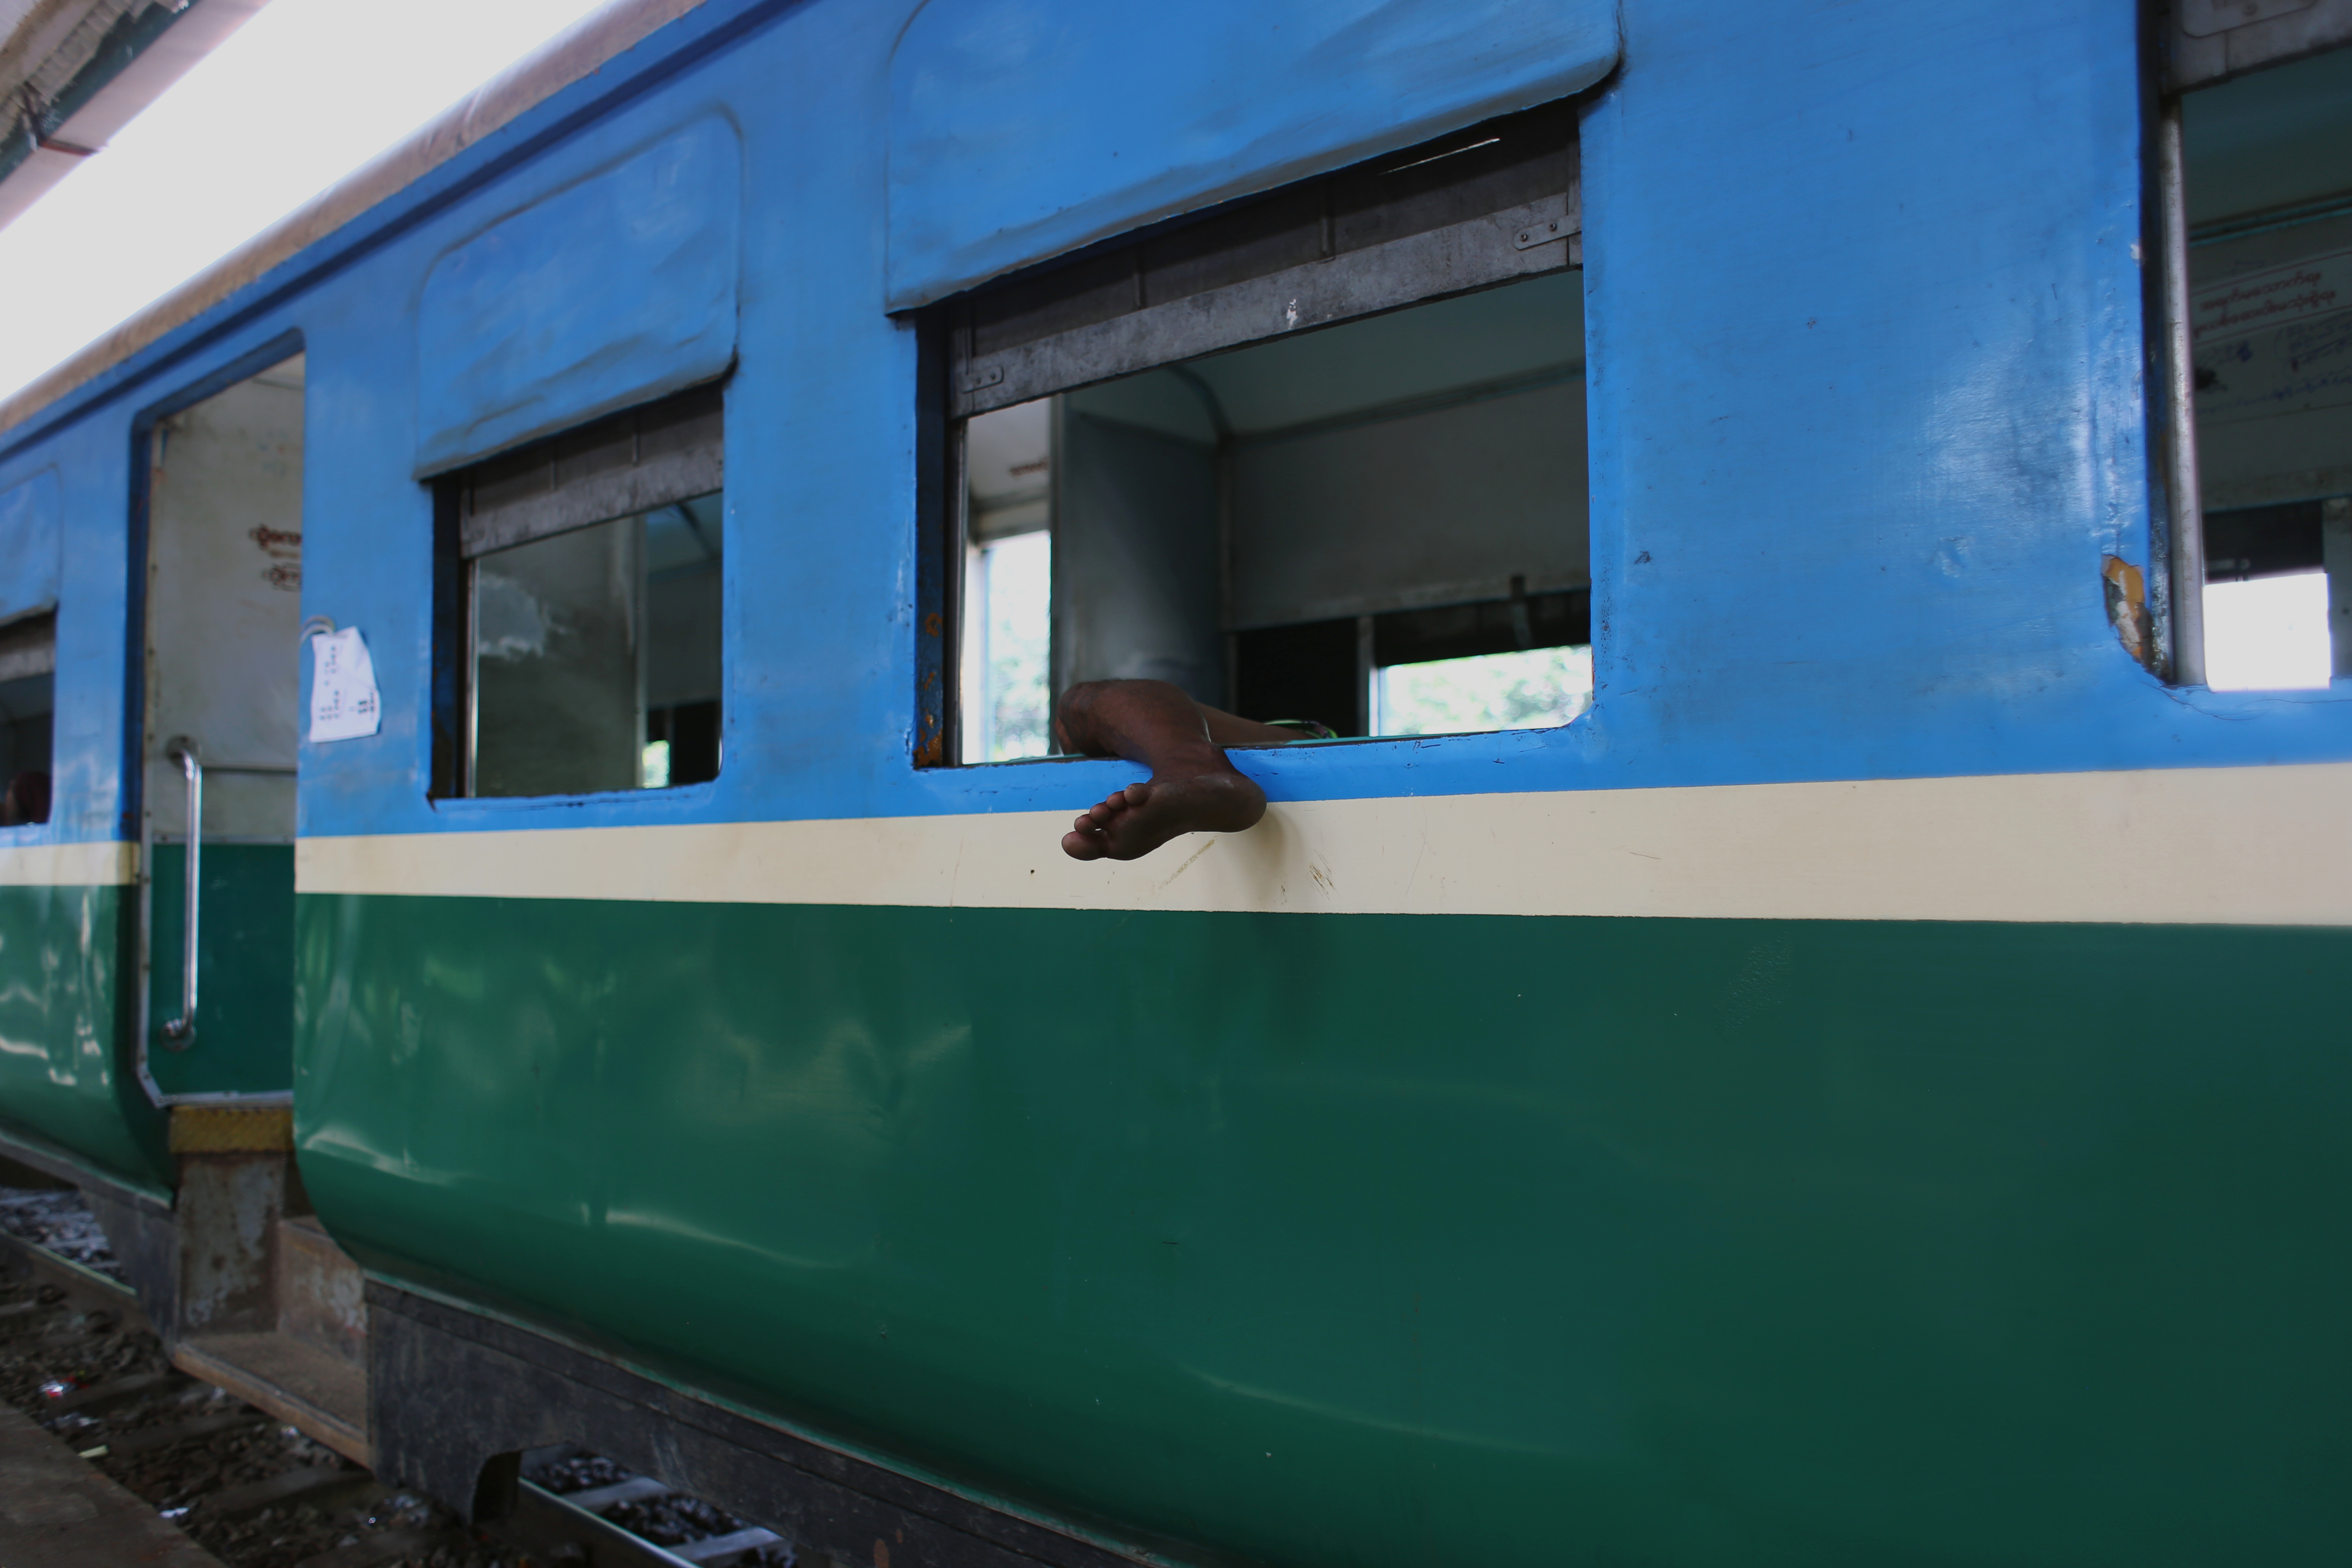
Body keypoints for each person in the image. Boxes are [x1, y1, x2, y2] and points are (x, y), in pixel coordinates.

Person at [1054, 680, 1331, 862]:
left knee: (1078, 705)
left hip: (1311, 740)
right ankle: (1192, 767)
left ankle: (1192, 765)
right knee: (1072, 722)